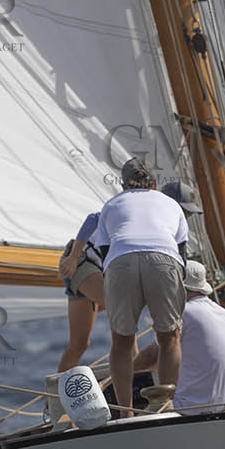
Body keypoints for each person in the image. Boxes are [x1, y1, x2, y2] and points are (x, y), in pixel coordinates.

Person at [91, 158, 189, 415]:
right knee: (170, 338)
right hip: (164, 258)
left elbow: (104, 253)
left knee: (122, 342)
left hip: (120, 261)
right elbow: (182, 254)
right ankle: (166, 407)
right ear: (154, 183)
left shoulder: (111, 205)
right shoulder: (171, 204)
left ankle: (126, 412)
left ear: (123, 186)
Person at [135, 261, 225, 414]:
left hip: (191, 408)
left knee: (135, 416)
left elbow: (150, 358)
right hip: (224, 406)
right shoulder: (223, 313)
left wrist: (120, 371)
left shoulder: (183, 314)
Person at [57, 209, 106, 373]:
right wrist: (73, 257)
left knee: (79, 344)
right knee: (121, 309)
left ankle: (56, 395)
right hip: (81, 262)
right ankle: (133, 377)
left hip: (102, 269)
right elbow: (94, 218)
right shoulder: (127, 205)